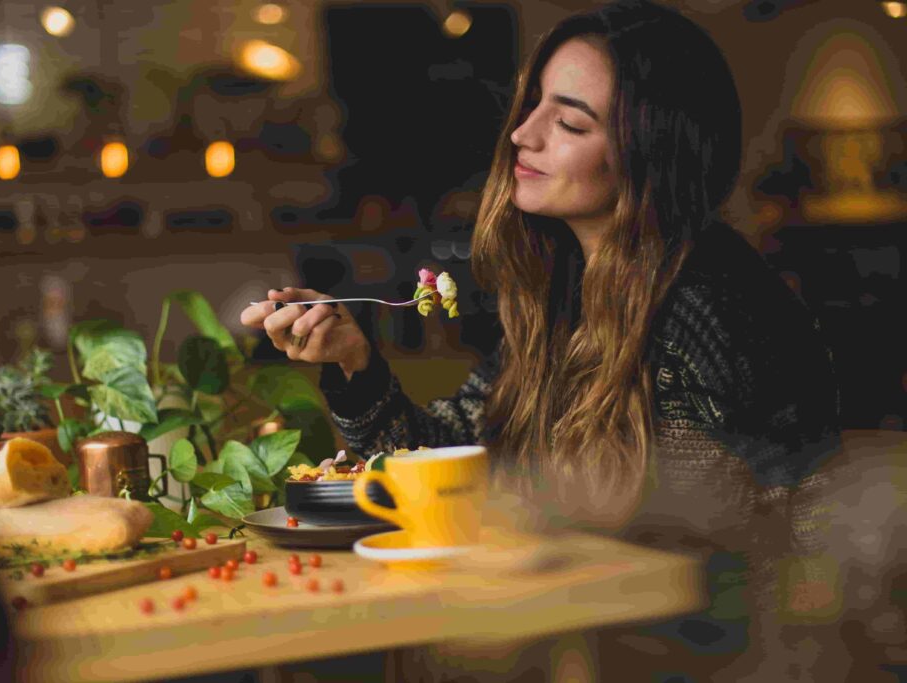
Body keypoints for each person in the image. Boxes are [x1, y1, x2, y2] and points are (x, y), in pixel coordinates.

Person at [241, 0, 841, 679]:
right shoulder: (567, 293)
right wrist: (356, 361)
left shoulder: (706, 304)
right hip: (580, 631)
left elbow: (726, 547)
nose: (522, 135)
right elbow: (453, 471)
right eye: (532, 107)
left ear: (651, 154)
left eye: (570, 122)